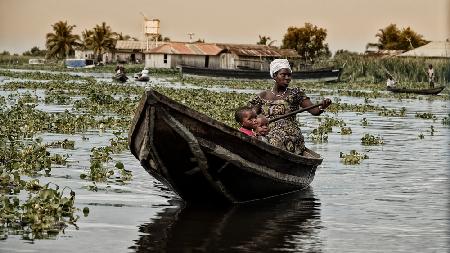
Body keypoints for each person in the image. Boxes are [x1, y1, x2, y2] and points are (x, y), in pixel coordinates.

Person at [248, 59, 332, 155]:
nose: (287, 78)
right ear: (275, 76)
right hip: (266, 131)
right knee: (255, 138)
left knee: (274, 141)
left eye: (289, 75)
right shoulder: (263, 96)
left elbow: (314, 111)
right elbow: (251, 116)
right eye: (283, 75)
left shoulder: (295, 94)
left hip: (289, 134)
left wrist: (322, 106)